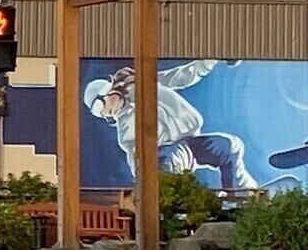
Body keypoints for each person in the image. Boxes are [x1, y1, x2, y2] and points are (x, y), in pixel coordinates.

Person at [83, 60, 257, 191]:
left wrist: (211, 60)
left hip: (191, 141)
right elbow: (134, 153)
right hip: (167, 151)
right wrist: (143, 185)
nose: (105, 113)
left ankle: (240, 195)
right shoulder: (126, 126)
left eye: (100, 106)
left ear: (109, 91)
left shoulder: (145, 83)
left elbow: (182, 75)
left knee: (229, 146)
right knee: (171, 164)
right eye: (99, 114)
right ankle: (178, 207)